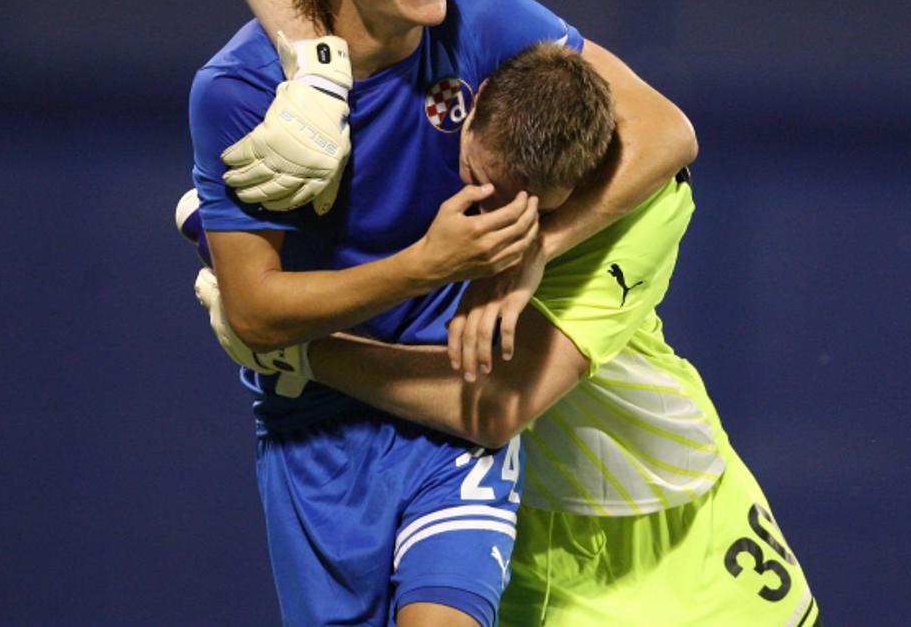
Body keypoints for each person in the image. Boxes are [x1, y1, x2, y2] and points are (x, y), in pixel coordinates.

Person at [189, 0, 696, 627]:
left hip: (447, 411)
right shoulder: (238, 91)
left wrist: (524, 251)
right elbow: (252, 313)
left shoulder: (480, 17)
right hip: (312, 438)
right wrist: (425, 263)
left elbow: (666, 130)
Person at [191, 39, 819, 625]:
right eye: (475, 177)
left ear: (575, 185)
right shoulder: (445, 116)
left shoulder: (645, 216)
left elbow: (494, 407)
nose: (487, 211)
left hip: (680, 550)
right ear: (474, 107)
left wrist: (303, 353)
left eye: (523, 205)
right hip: (529, 550)